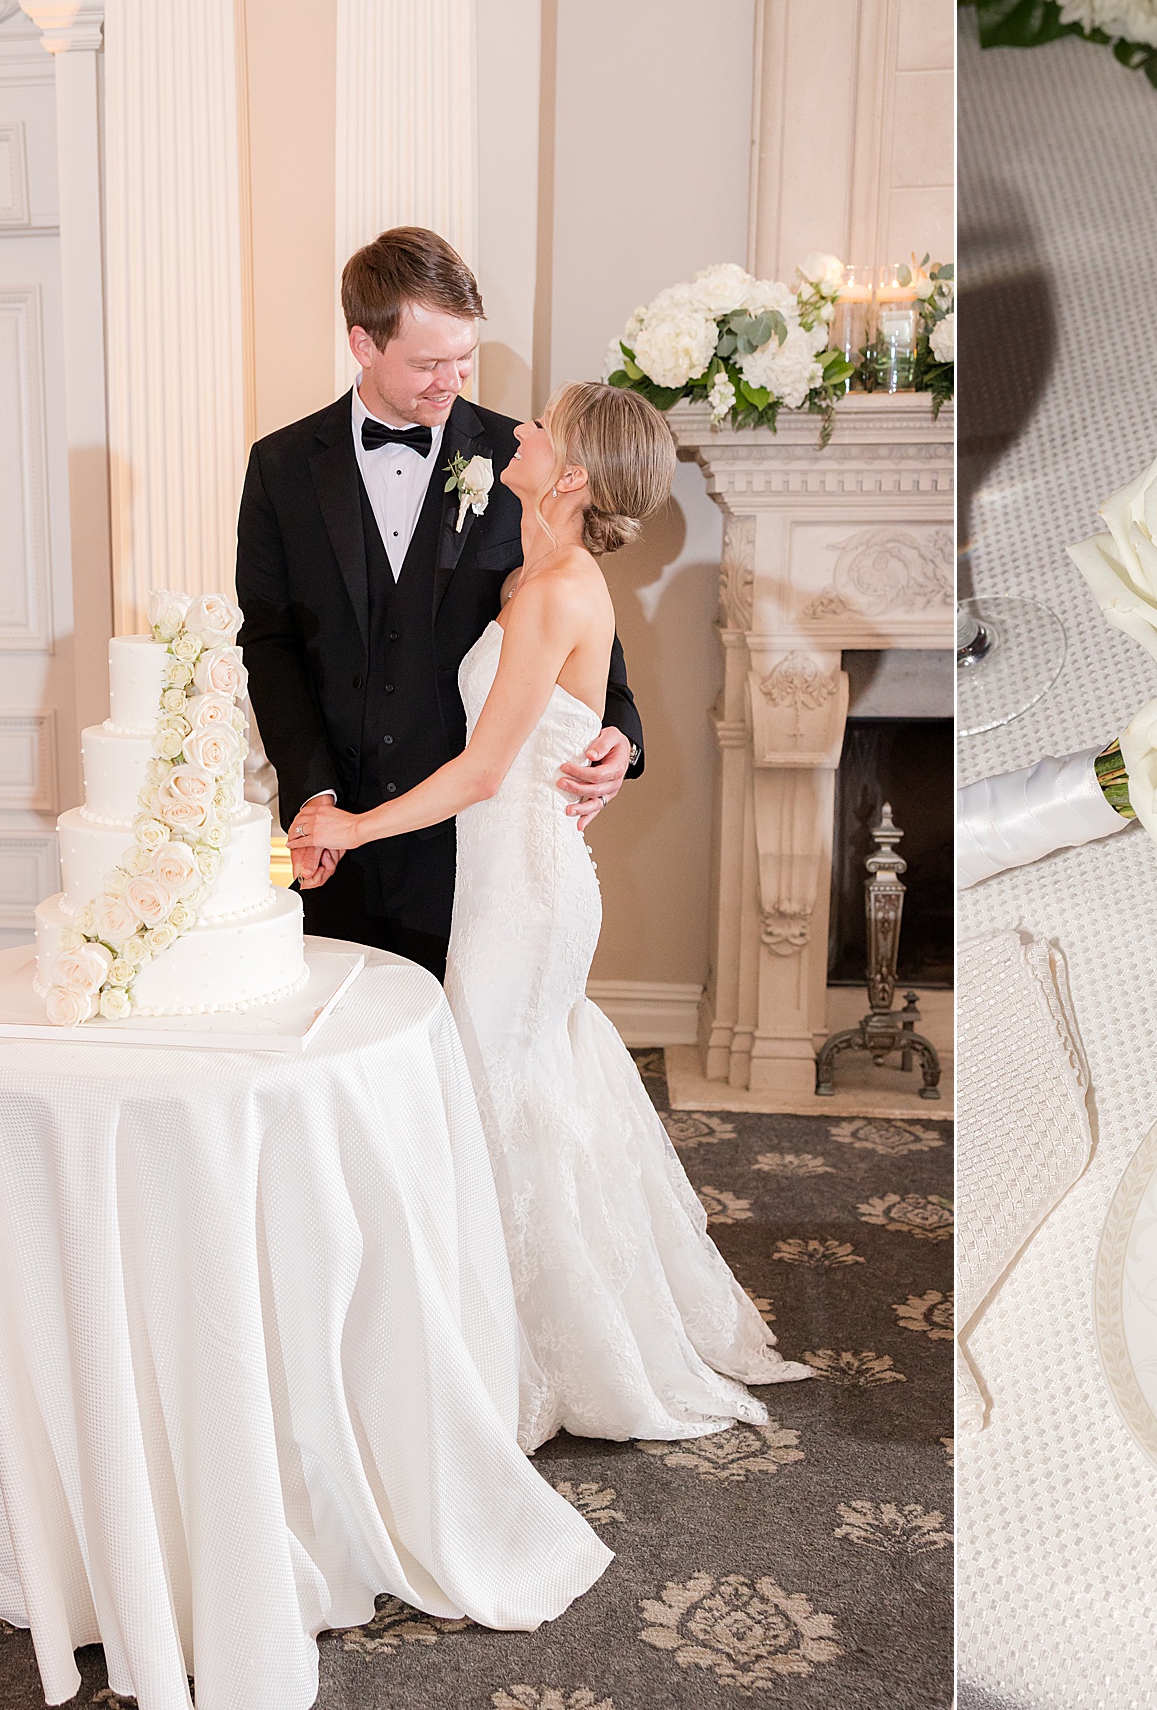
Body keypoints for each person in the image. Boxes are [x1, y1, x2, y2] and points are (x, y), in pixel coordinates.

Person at [289, 383, 809, 1446]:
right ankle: (523, 1336)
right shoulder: (534, 567)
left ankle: (520, 1361)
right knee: (516, 1097)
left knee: (495, 1101)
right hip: (504, 875)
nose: (515, 432)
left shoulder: (553, 591)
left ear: (570, 474)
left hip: (522, 887)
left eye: (542, 430)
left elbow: (486, 771)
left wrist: (351, 829)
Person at [237, 227, 642, 979]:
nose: (451, 381)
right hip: (337, 837)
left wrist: (619, 728)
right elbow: (269, 640)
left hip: (472, 843)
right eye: (427, 363)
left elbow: (585, 623)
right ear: (363, 344)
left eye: (465, 358)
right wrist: (315, 794)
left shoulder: (518, 459)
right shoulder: (280, 468)